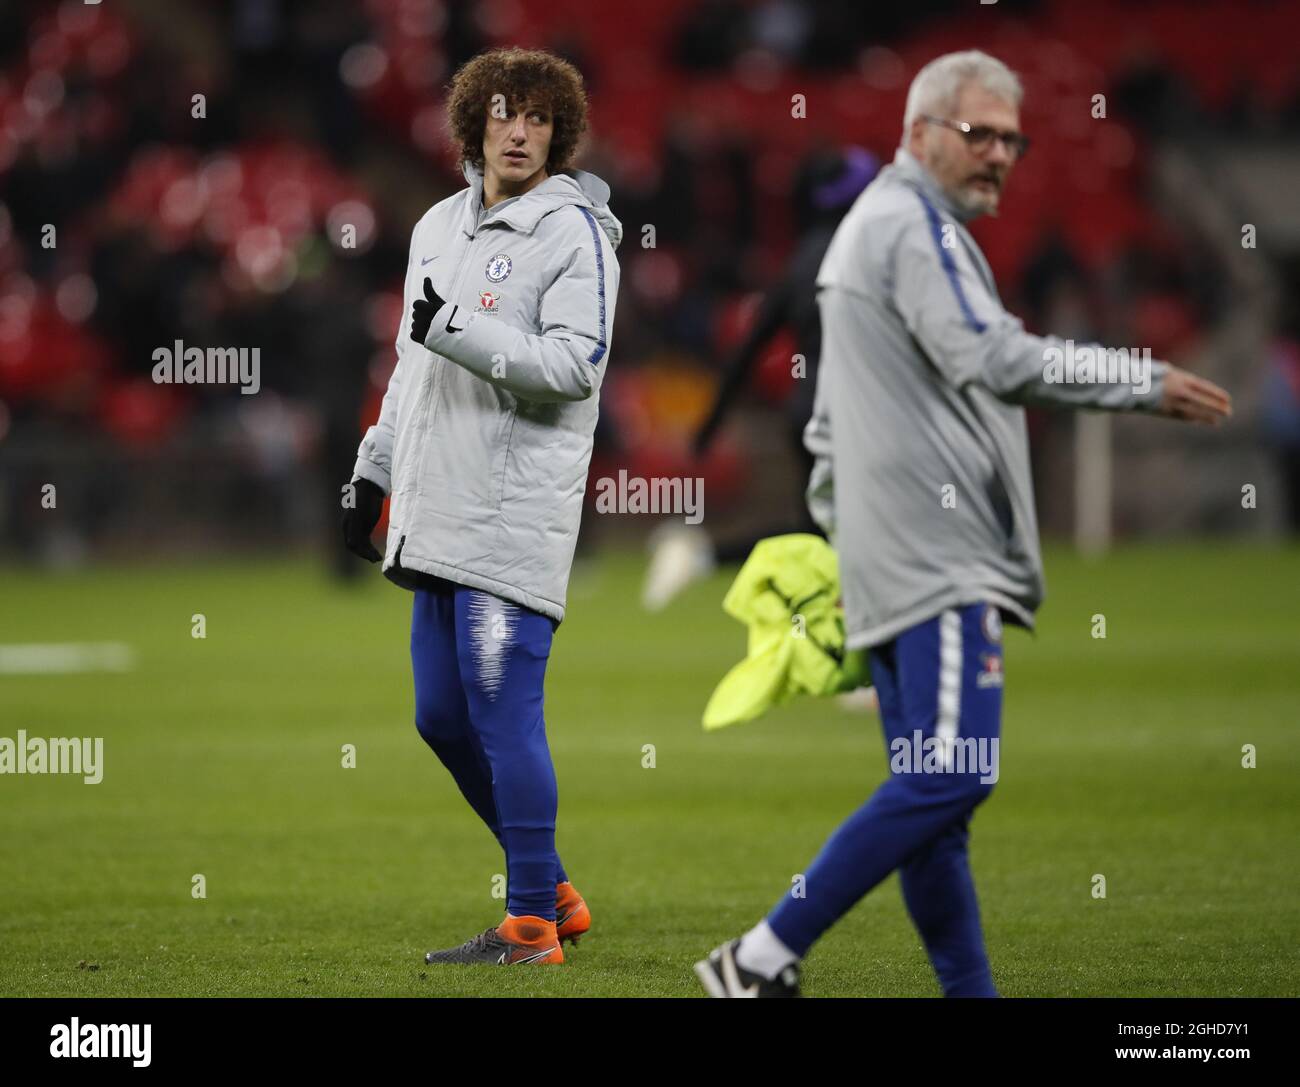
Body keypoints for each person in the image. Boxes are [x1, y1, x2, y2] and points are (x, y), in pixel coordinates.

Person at [696, 49, 1231, 998]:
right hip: (936, 562)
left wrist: (848, 545)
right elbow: (990, 356)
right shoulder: (912, 226)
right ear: (916, 133)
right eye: (978, 134)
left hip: (894, 559)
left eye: (1012, 142)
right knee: (953, 777)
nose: (999, 156)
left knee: (936, 810)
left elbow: (824, 428)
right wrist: (1137, 380)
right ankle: (761, 957)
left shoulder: (883, 230)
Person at [341, 47, 621, 966]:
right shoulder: (435, 226)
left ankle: (531, 924)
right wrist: (373, 469)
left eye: (539, 118)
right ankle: (556, 889)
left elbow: (574, 369)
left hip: (508, 512)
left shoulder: (573, 234)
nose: (519, 130)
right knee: (441, 719)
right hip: (436, 509)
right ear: (474, 122)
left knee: (503, 716)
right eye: (505, 113)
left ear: (558, 135)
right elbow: (410, 368)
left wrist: (457, 328)